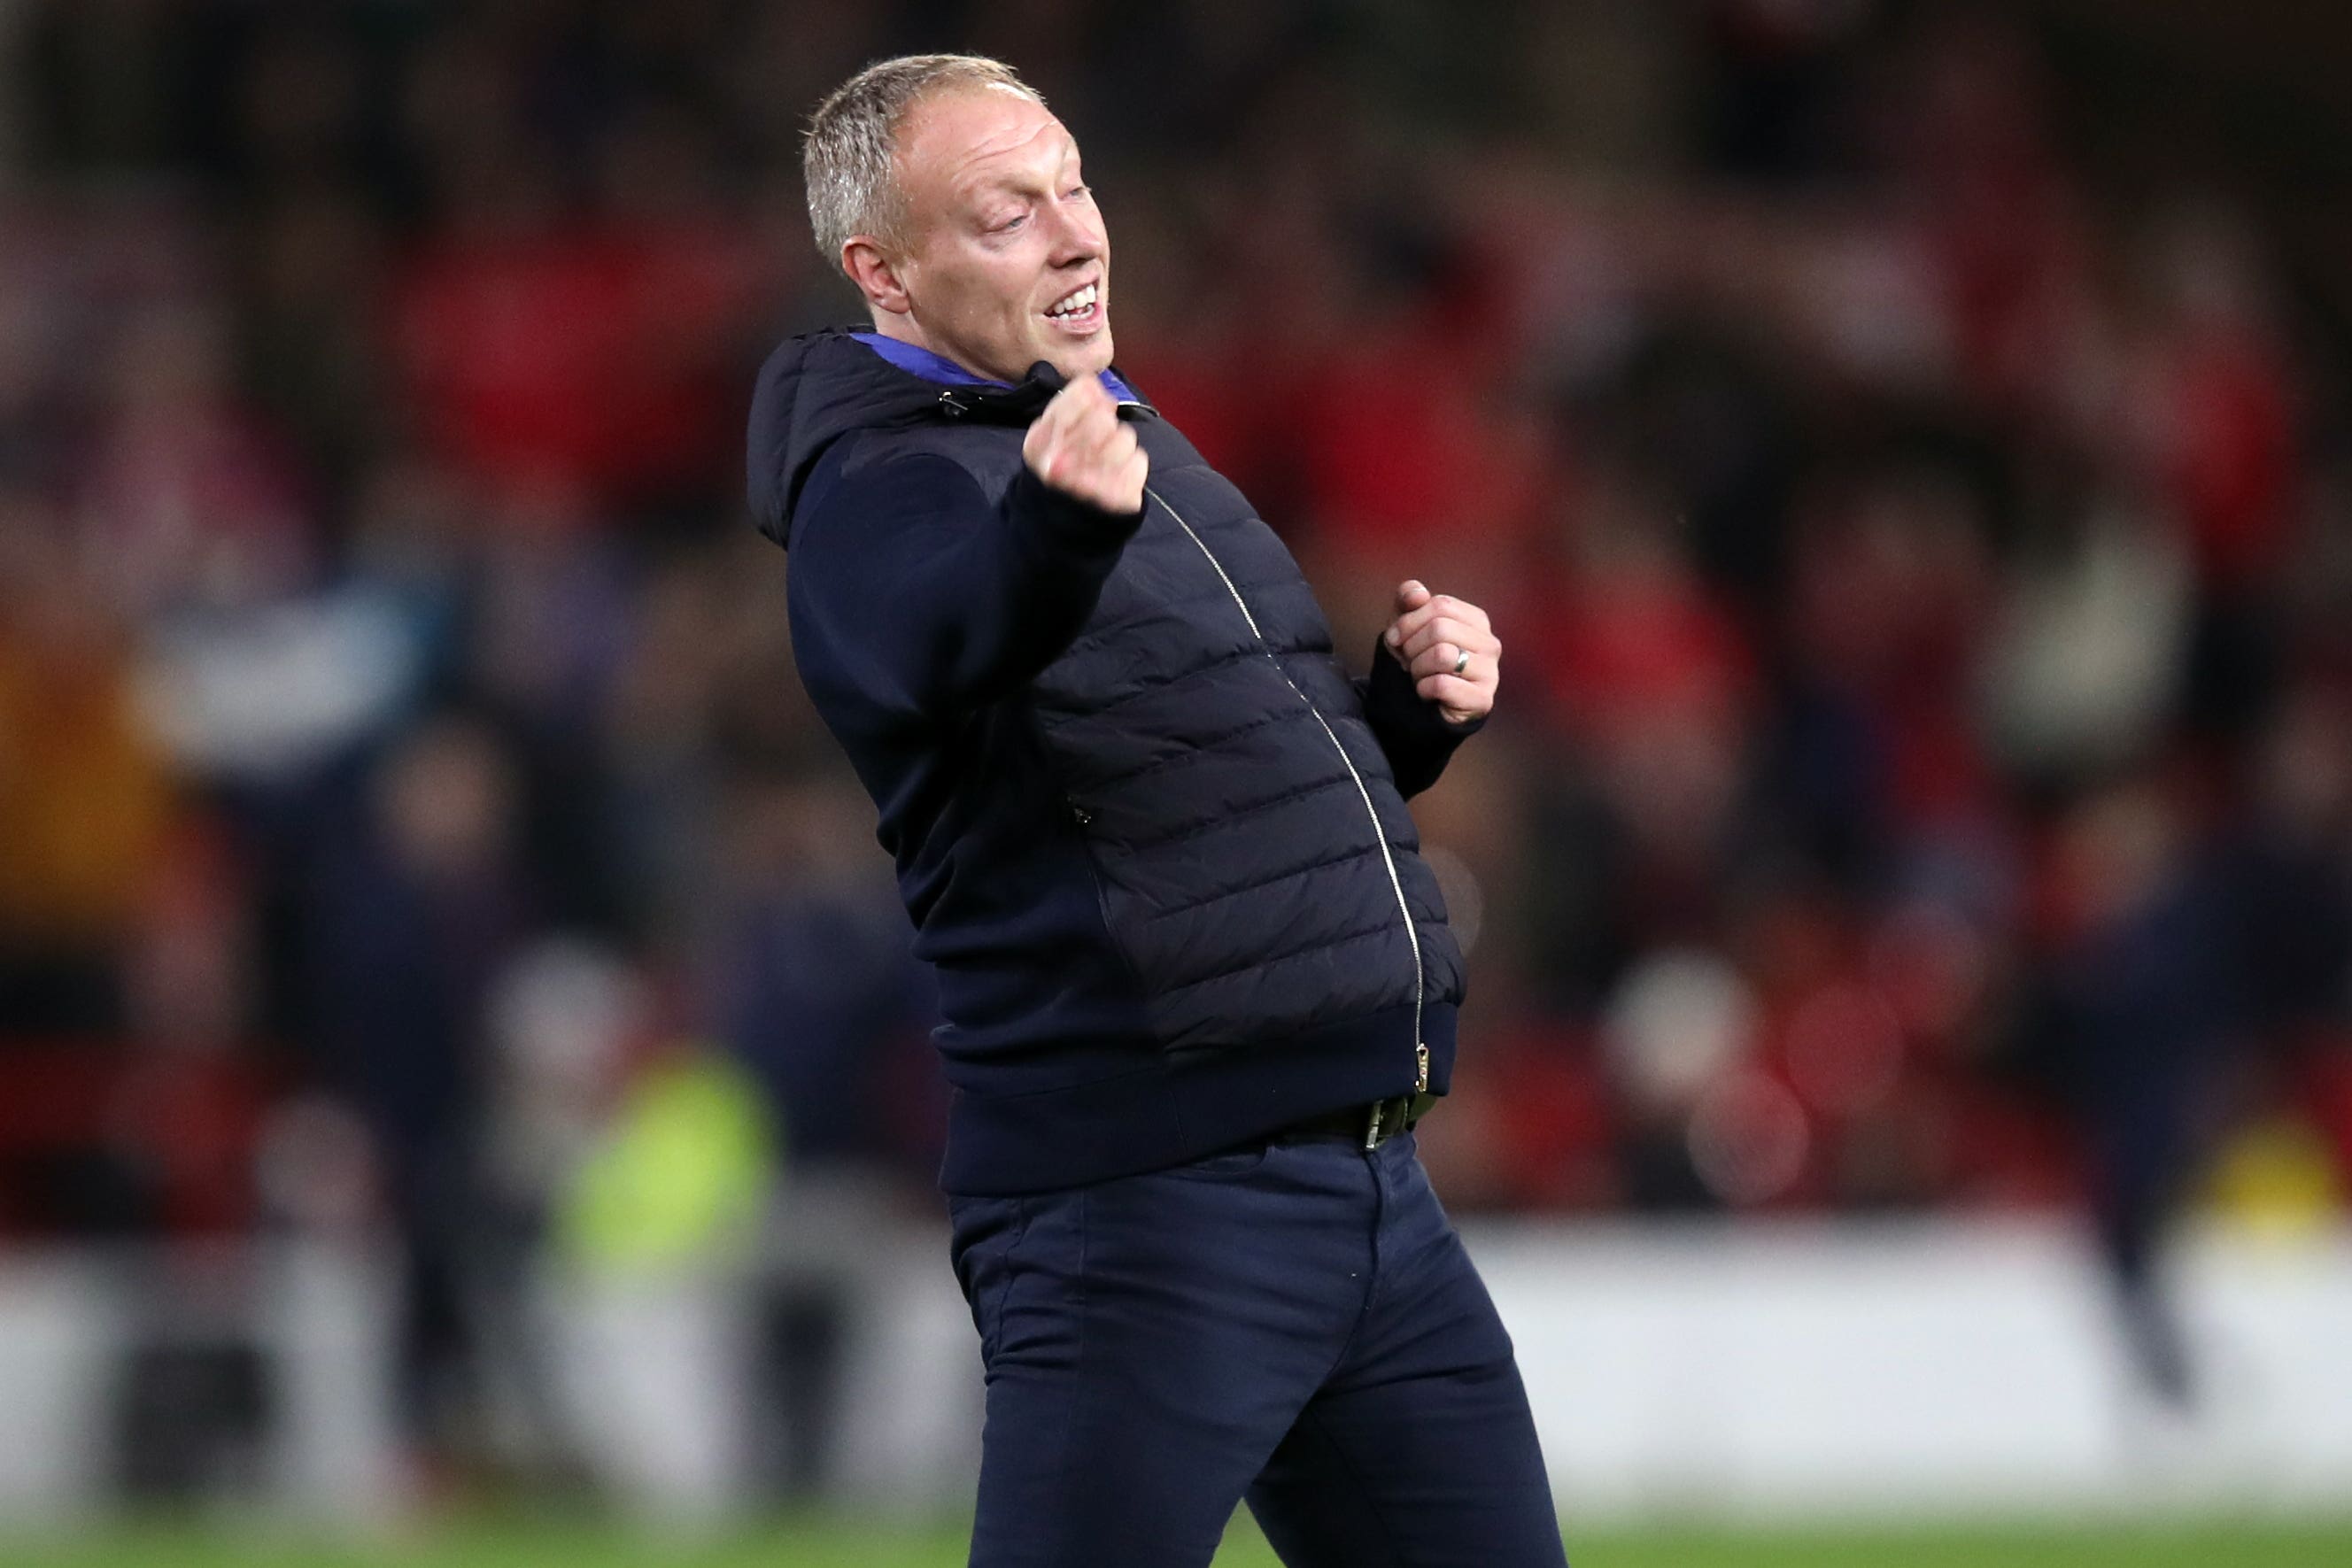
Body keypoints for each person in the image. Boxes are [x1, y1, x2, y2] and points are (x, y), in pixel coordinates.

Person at [747, 53, 1564, 1568]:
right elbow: (951, 640)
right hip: (1146, 1214)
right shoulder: (880, 488)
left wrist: (1399, 725)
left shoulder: (1104, 431)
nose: (1074, 233)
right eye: (1007, 213)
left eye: (1073, 183)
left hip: (1372, 1193)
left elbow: (1176, 776)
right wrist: (1054, 532)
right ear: (887, 272)